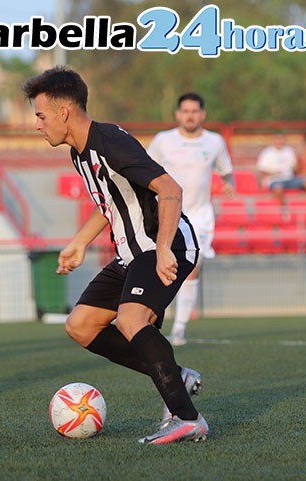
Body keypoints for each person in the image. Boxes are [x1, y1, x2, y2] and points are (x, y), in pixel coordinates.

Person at [22, 66, 207, 444]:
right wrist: (79, 242)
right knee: (80, 326)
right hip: (131, 253)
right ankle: (178, 375)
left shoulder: (109, 140)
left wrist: (162, 251)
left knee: (131, 319)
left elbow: (170, 189)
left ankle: (188, 419)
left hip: (162, 245)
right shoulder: (79, 152)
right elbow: (109, 202)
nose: (37, 124)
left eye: (40, 115)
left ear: (64, 112)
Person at [147, 93, 234, 346]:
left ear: (202, 114)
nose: (190, 115)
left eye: (194, 111)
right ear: (177, 114)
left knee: (192, 270)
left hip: (199, 217)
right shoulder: (163, 141)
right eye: (185, 111)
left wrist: (229, 184)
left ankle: (179, 329)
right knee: (159, 269)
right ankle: (150, 322)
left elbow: (227, 172)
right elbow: (145, 170)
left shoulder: (215, 142)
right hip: (166, 215)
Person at [256, 133, 305, 202]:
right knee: (278, 188)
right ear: (273, 140)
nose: (279, 141)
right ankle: (285, 210)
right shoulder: (266, 153)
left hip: (290, 178)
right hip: (274, 180)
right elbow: (262, 172)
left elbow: (296, 168)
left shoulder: (289, 151)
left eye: (281, 139)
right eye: (277, 139)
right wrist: (276, 173)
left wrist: (295, 167)